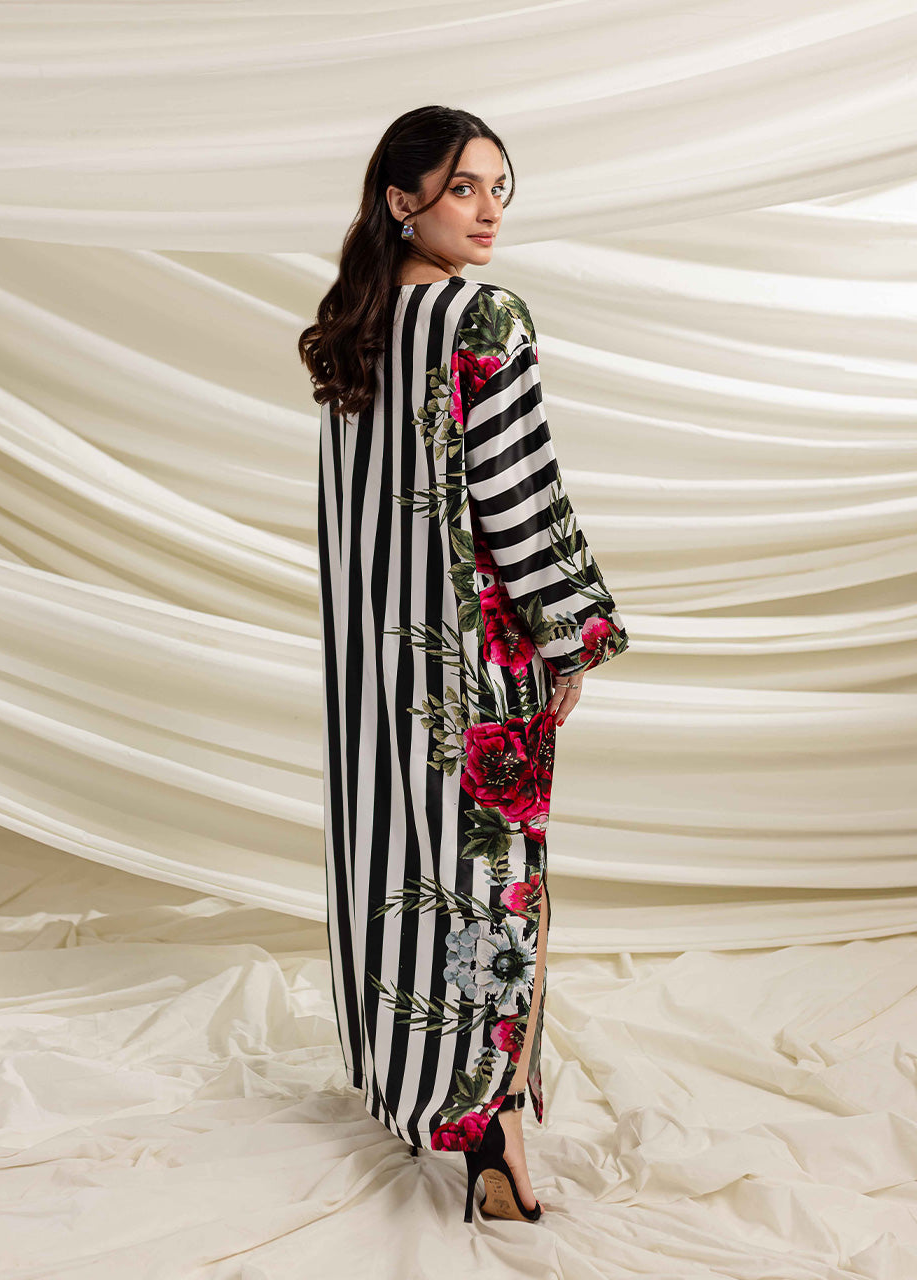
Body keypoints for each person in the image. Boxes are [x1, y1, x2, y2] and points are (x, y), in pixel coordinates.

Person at [298, 104, 630, 1224]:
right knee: (495, 885)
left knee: (398, 870)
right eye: (462, 188)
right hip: (475, 664)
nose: (488, 212)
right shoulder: (482, 315)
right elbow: (520, 495)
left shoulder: (353, 327)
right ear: (403, 200)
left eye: (499, 188)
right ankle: (494, 1130)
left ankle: (415, 1084)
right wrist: (571, 629)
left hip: (378, 674)